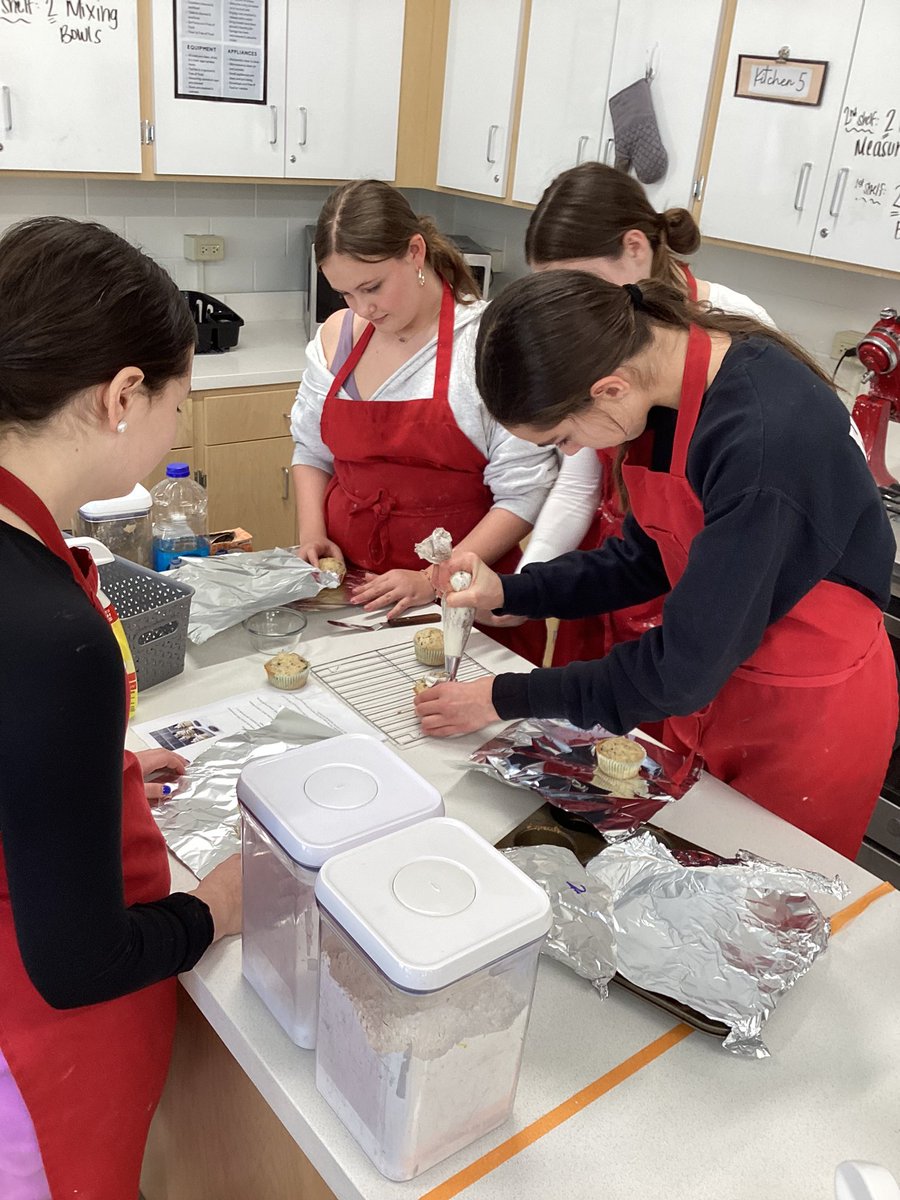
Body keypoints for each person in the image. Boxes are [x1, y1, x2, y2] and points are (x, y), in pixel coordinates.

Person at [415, 270, 898, 859]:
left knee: (763, 919)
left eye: (563, 437)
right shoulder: (666, 398)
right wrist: (512, 593)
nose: (569, 454)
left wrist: (506, 696)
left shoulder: (761, 443)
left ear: (609, 389)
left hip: (802, 716)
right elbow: (642, 560)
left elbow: (681, 670)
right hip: (721, 680)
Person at [0, 217, 242, 1200]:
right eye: (177, 405)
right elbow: (79, 961)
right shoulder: (50, 632)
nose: (172, 433)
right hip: (39, 1053)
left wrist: (81, 772)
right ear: (123, 395)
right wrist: (213, 909)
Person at [516, 162, 776, 667]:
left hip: (704, 586)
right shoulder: (593, 336)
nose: (569, 308)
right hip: (615, 574)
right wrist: (527, 584)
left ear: (636, 248)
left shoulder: (735, 330)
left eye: (578, 284)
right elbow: (579, 479)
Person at [290, 180, 557, 662]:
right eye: (345, 293)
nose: (362, 308)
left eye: (372, 287)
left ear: (415, 252)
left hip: (462, 597)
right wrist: (312, 532)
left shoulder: (490, 343)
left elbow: (523, 493)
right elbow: (311, 450)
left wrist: (433, 578)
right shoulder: (339, 335)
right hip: (351, 590)